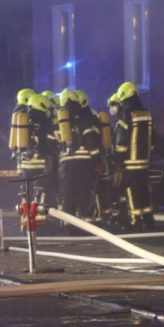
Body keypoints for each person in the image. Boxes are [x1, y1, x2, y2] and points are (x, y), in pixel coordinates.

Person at [111, 81, 155, 230]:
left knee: (131, 191)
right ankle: (148, 220)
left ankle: (135, 221)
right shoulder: (146, 113)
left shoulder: (126, 113)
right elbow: (153, 136)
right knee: (143, 190)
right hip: (144, 160)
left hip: (130, 161)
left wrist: (118, 158)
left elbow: (122, 139)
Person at [56, 88, 101, 229]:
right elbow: (90, 139)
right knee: (84, 192)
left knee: (67, 193)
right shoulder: (84, 117)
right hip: (84, 162)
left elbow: (54, 142)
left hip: (65, 163)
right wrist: (97, 160)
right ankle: (87, 224)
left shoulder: (59, 118)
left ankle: (68, 225)